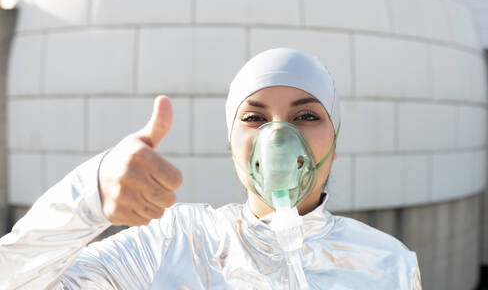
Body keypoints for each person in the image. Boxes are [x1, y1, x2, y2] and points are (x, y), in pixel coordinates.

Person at [0, 48, 422, 289]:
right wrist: (87, 196)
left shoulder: (387, 265)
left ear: (335, 135)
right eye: (254, 118)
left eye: (306, 117)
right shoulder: (171, 243)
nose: (277, 136)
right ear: (231, 140)